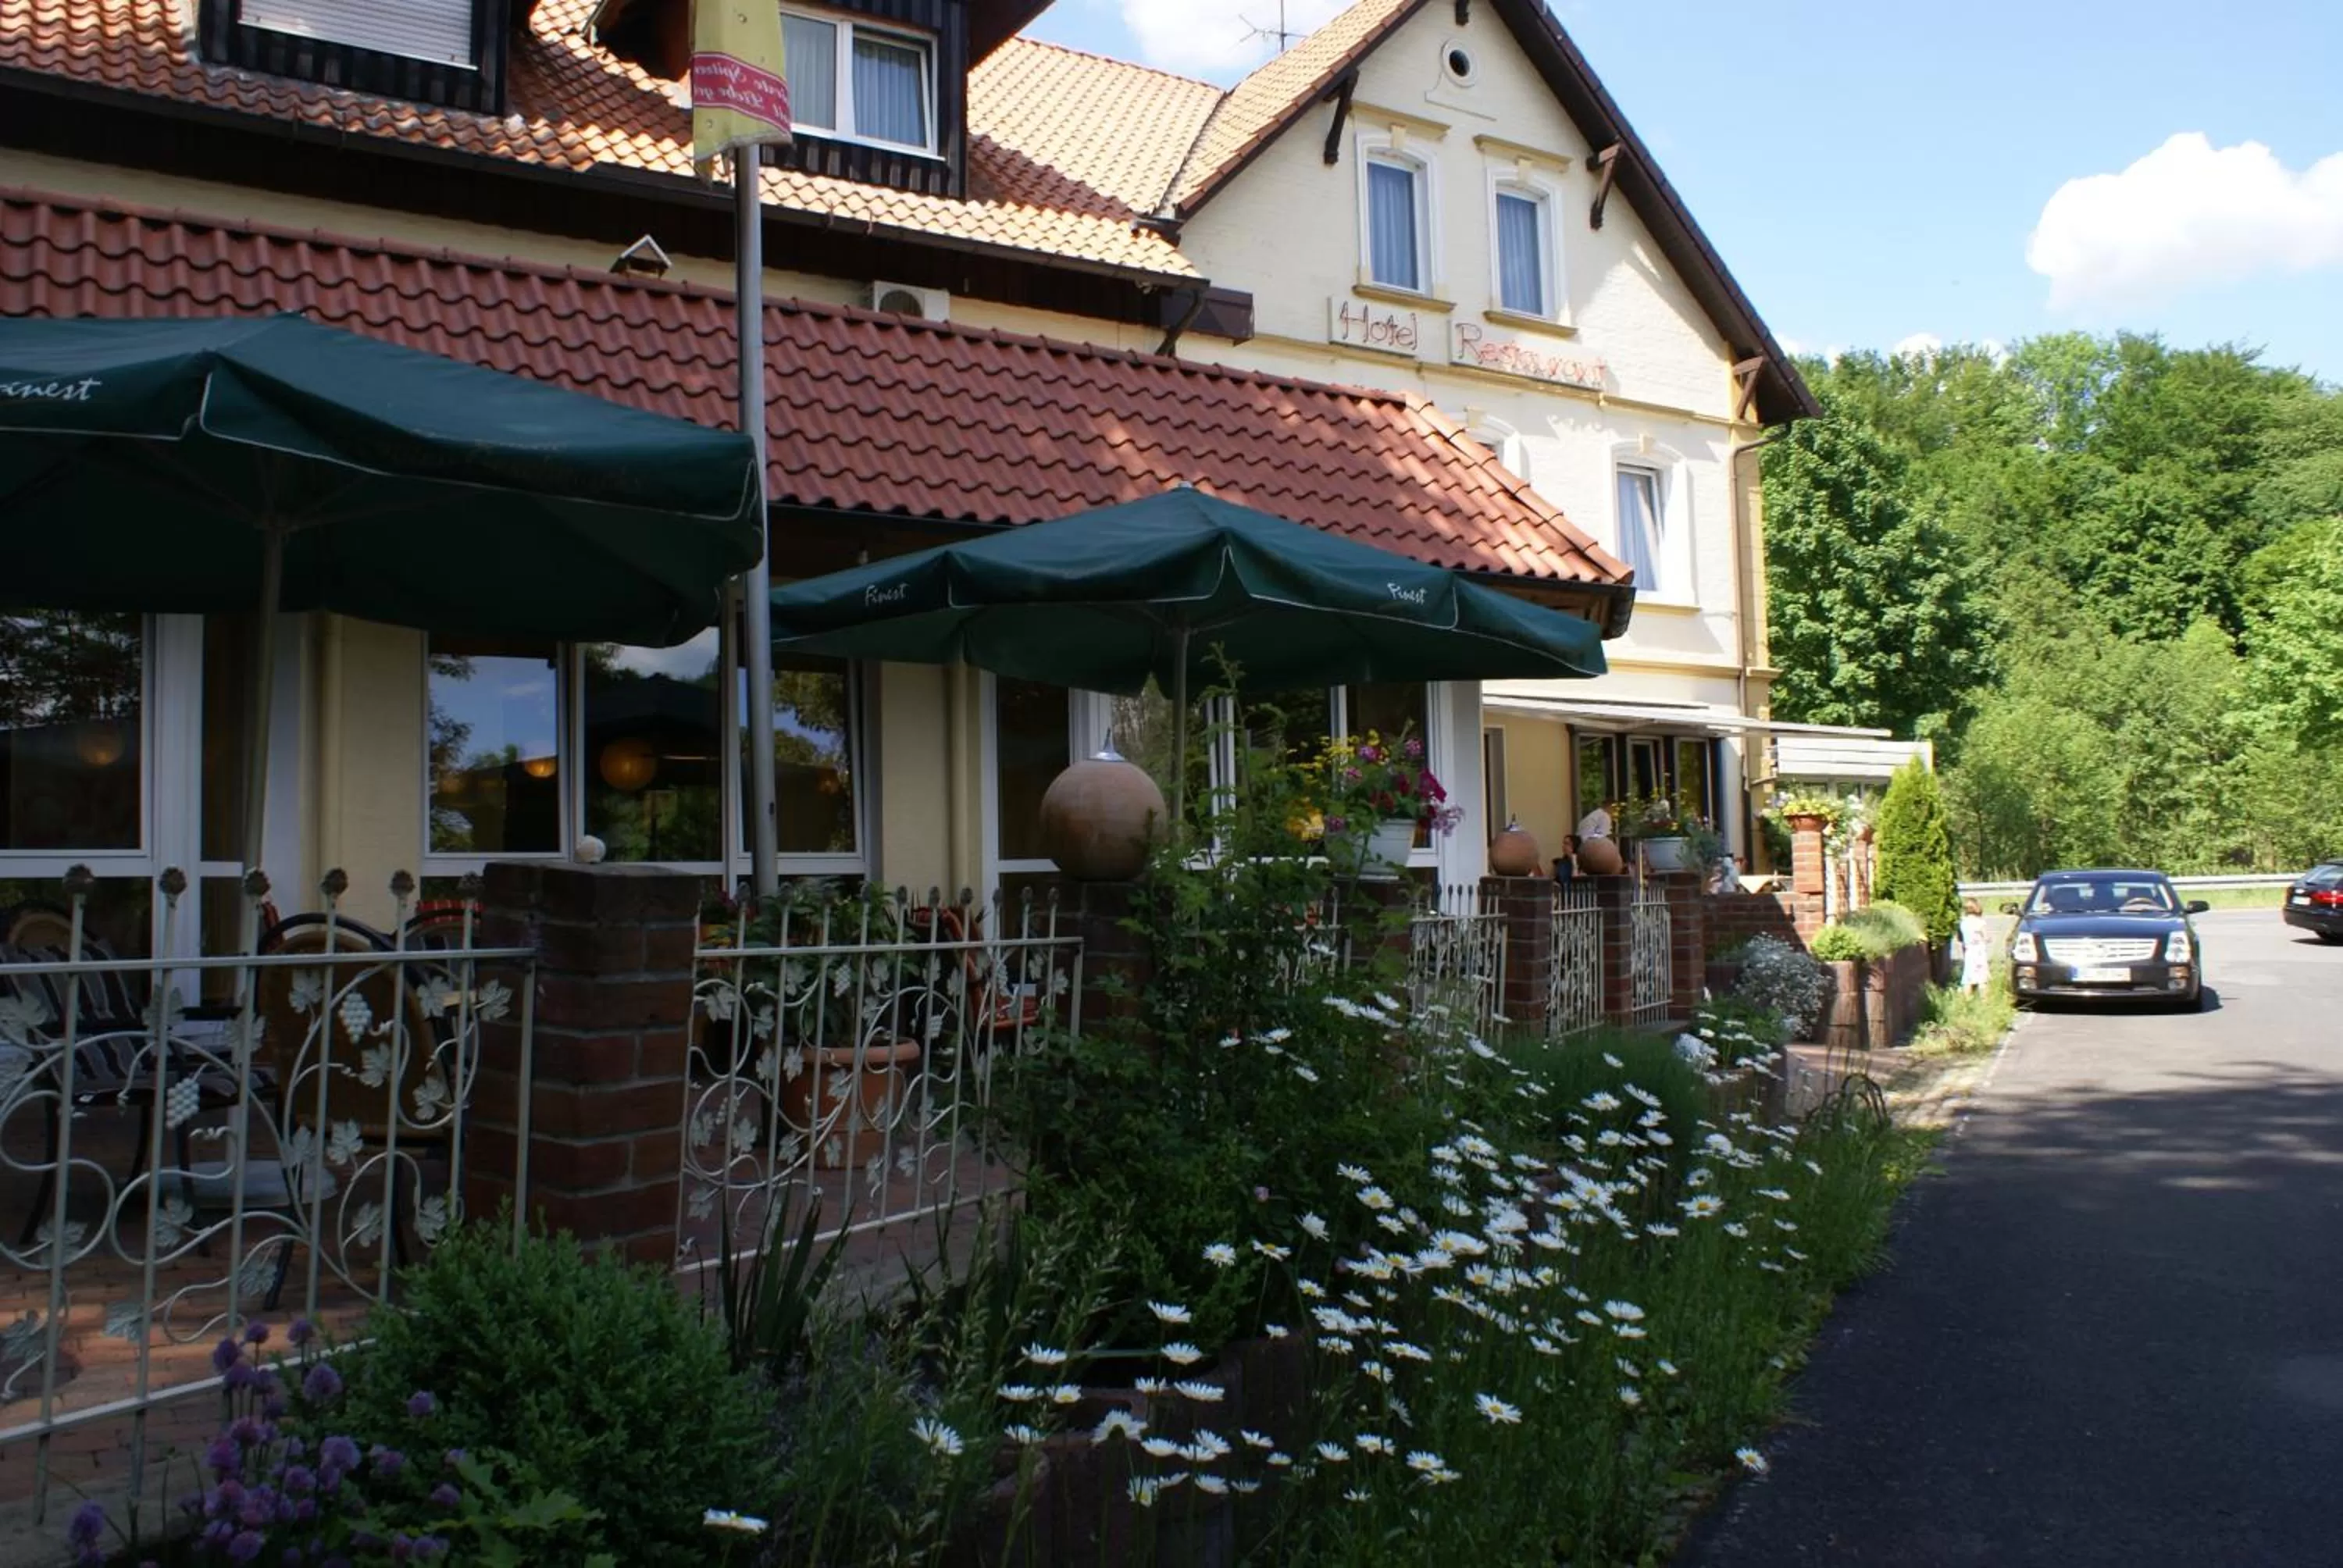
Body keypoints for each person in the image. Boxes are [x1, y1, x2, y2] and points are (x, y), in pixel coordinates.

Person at [1958, 897, 1992, 995]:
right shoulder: (1980, 922)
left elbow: (1960, 938)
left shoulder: (1963, 923)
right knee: (1982, 978)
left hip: (1969, 951)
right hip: (1979, 951)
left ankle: (1967, 1001)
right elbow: (1987, 937)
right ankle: (1985, 1001)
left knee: (1967, 977)